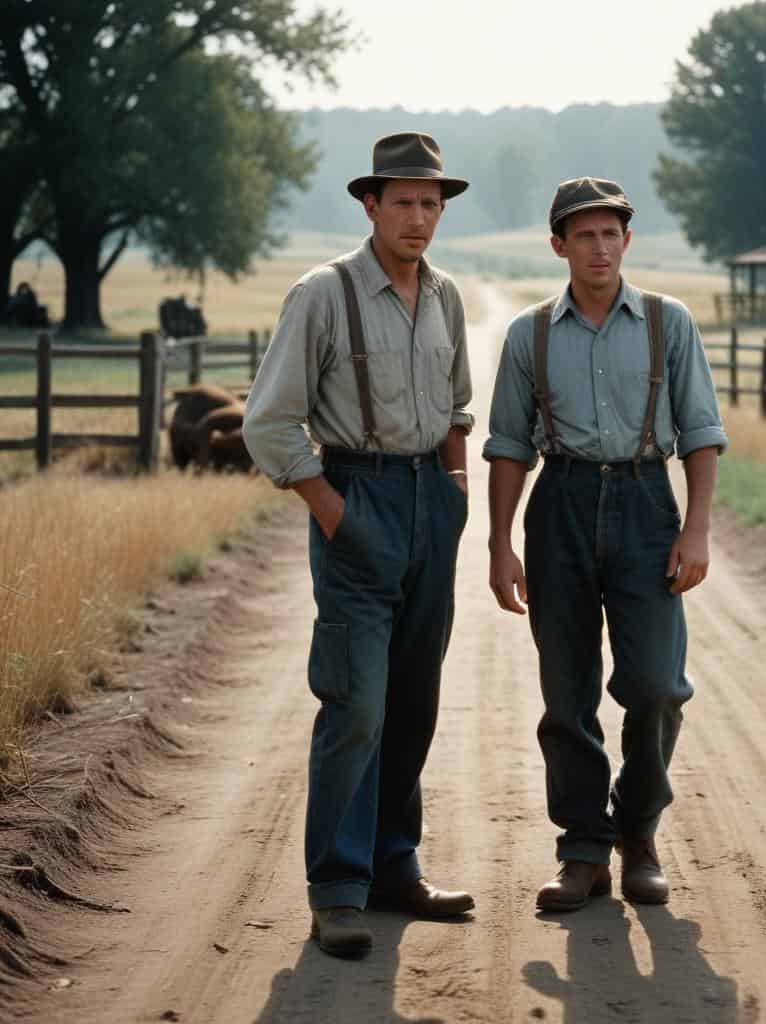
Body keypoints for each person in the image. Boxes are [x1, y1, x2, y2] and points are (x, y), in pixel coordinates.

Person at [243, 132, 475, 959]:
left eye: (432, 204)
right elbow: (267, 421)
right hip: (357, 496)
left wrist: (454, 492)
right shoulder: (323, 294)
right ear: (369, 205)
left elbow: (456, 408)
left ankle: (394, 867)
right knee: (358, 703)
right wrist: (334, 512)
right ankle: (337, 889)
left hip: (428, 502)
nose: (419, 217)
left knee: (415, 701)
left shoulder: (444, 296)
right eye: (404, 202)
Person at [484, 178, 728, 912]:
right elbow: (505, 446)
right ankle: (583, 850)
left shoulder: (667, 322)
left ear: (628, 241)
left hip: (646, 501)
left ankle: (640, 833)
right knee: (568, 694)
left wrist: (696, 527)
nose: (599, 247)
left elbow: (702, 431)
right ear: (559, 245)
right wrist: (500, 544)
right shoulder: (529, 333)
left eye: (611, 234)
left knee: (656, 685)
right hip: (558, 501)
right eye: (583, 235)